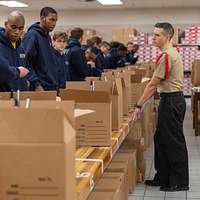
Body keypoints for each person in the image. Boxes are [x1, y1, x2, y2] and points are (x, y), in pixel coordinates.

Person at [132, 22, 189, 192]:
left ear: (167, 36)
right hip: (170, 99)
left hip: (172, 101)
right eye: (153, 34)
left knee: (173, 142)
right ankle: (163, 176)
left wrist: (138, 105)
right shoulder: (170, 53)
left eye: (157, 35)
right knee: (161, 139)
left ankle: (180, 181)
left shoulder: (167, 56)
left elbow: (152, 85)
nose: (153, 38)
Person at [22, 7, 58, 91]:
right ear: (42, 18)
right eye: (51, 20)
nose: (54, 23)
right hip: (40, 87)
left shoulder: (47, 37)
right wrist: (36, 84)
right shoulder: (32, 36)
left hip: (51, 85)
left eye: (56, 20)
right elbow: (25, 62)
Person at [0, 11, 29, 92]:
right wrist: (17, 72)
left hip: (21, 96)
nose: (17, 32)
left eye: (21, 28)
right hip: (4, 98)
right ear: (6, 24)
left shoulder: (21, 47)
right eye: (13, 27)